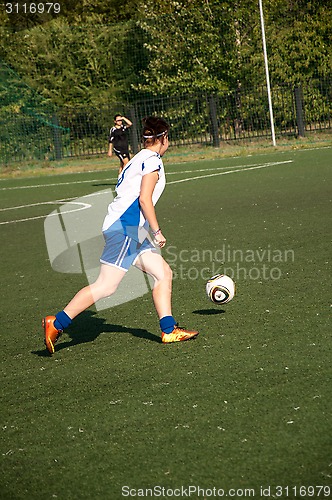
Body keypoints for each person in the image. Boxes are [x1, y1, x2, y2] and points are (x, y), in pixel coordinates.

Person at [43, 116, 199, 355]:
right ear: (163, 139)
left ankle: (169, 330)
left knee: (163, 273)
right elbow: (144, 199)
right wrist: (156, 231)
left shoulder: (136, 159)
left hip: (128, 230)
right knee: (106, 286)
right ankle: (58, 322)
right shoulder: (152, 161)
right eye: (168, 138)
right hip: (126, 229)